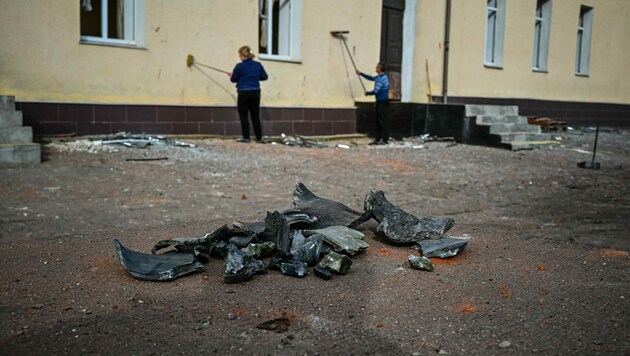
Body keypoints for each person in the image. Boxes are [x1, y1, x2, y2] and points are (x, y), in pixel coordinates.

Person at [229, 45, 268, 143]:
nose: (239, 57)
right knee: (255, 116)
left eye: (240, 55)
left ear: (243, 55)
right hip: (255, 92)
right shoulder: (258, 65)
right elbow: (264, 77)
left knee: (244, 116)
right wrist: (254, 77)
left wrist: (232, 75)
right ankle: (259, 138)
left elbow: (233, 80)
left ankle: (246, 137)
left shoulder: (239, 66)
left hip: (243, 92)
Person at [357, 63, 390, 145]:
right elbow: (371, 78)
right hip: (381, 101)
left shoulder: (381, 79)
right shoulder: (381, 77)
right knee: (379, 120)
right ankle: (379, 139)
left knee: (382, 121)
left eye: (377, 67)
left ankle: (384, 140)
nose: (375, 67)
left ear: (379, 69)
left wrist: (368, 93)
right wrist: (361, 74)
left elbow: (376, 91)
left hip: (382, 102)